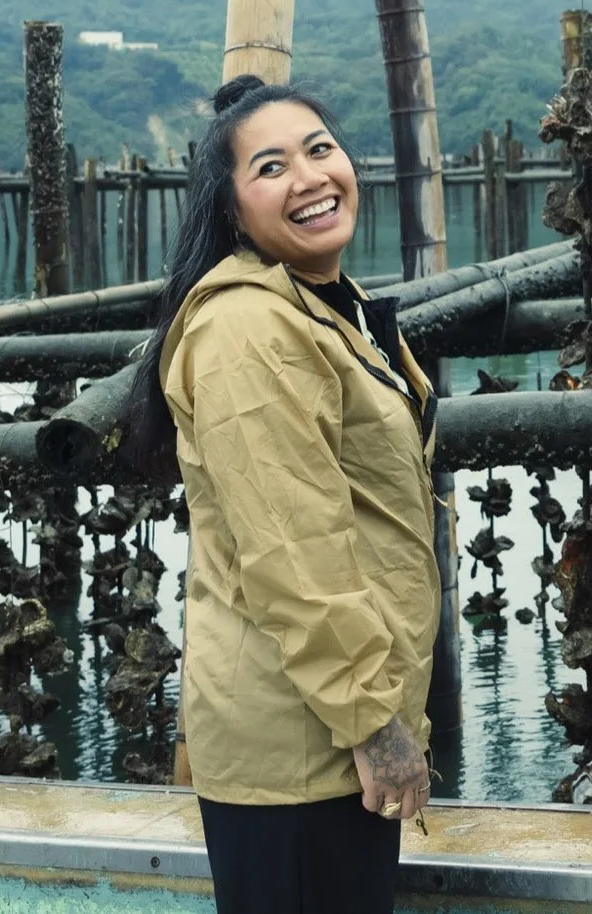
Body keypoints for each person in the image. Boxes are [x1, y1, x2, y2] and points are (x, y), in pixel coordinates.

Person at [120, 74, 439, 914]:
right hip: (301, 743)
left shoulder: (330, 305)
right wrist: (375, 724)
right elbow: (294, 551)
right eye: (270, 167)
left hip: (329, 721)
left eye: (320, 150)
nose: (308, 177)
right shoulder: (246, 329)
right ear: (230, 210)